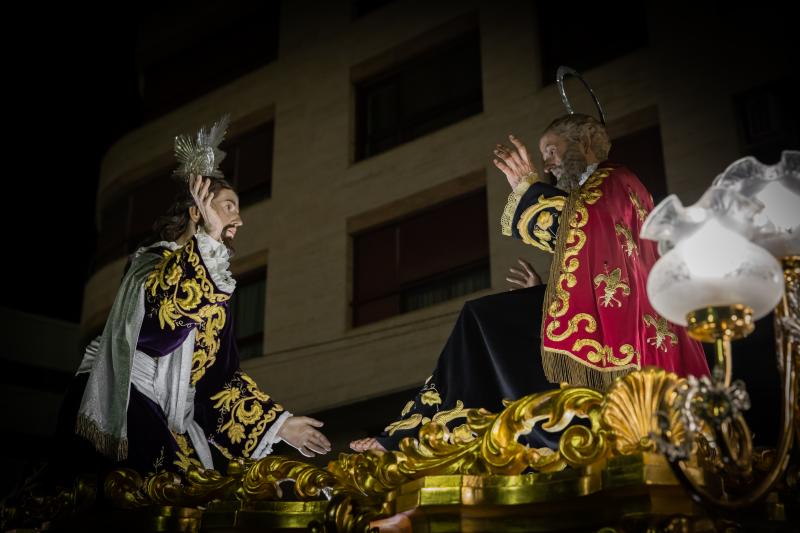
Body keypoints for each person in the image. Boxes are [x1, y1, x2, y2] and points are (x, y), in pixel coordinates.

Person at [351, 113, 709, 452]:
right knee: (492, 323)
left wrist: (528, 187)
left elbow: (580, 230)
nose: (548, 164)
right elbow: (599, 259)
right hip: (613, 315)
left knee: (482, 318)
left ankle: (418, 436)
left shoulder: (612, 180)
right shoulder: (617, 187)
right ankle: (425, 434)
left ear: (583, 142)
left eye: (551, 151)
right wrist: (552, 289)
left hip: (615, 325)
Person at [55, 118, 330, 477]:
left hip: (172, 417)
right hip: (125, 403)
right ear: (196, 211)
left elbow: (219, 382)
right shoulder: (149, 265)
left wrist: (279, 426)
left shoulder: (217, 289)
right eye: (229, 206)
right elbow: (156, 330)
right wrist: (209, 241)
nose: (240, 220)